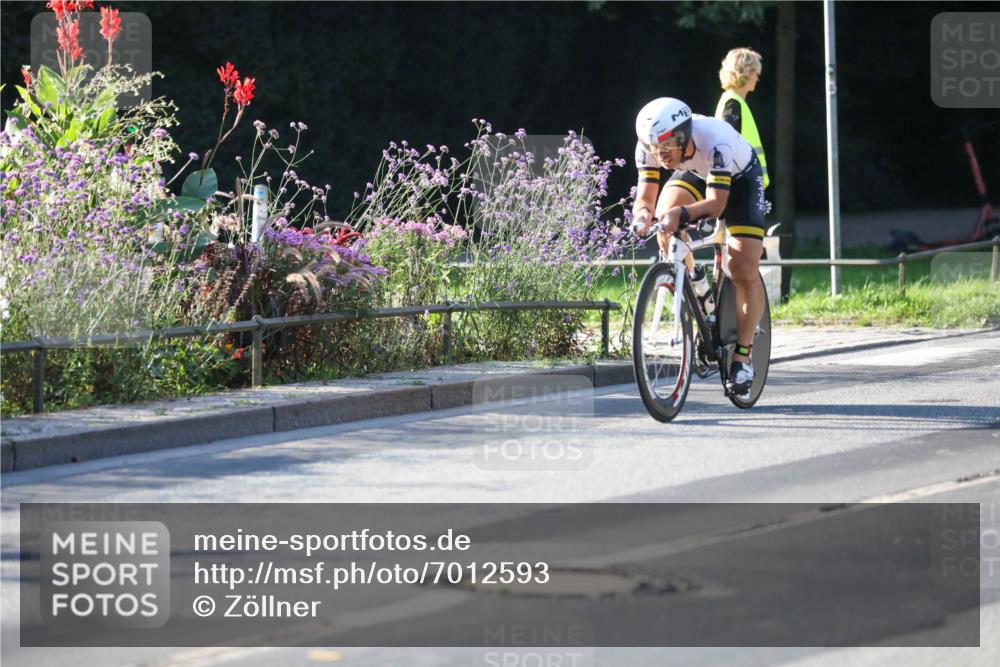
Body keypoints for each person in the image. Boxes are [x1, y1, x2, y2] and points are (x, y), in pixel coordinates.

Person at [632, 97, 767, 396]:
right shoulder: (650, 146)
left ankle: (742, 358)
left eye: (668, 146)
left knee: (741, 268)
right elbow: (645, 197)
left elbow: (717, 205)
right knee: (665, 227)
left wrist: (679, 214)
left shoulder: (715, 139)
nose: (661, 154)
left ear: (684, 135)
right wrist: (642, 216)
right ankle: (697, 284)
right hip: (696, 173)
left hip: (741, 178)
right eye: (655, 148)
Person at [716, 47, 769, 190]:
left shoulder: (733, 101)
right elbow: (726, 145)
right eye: (755, 73)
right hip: (743, 184)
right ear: (746, 72)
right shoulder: (733, 103)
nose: (757, 78)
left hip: (746, 182)